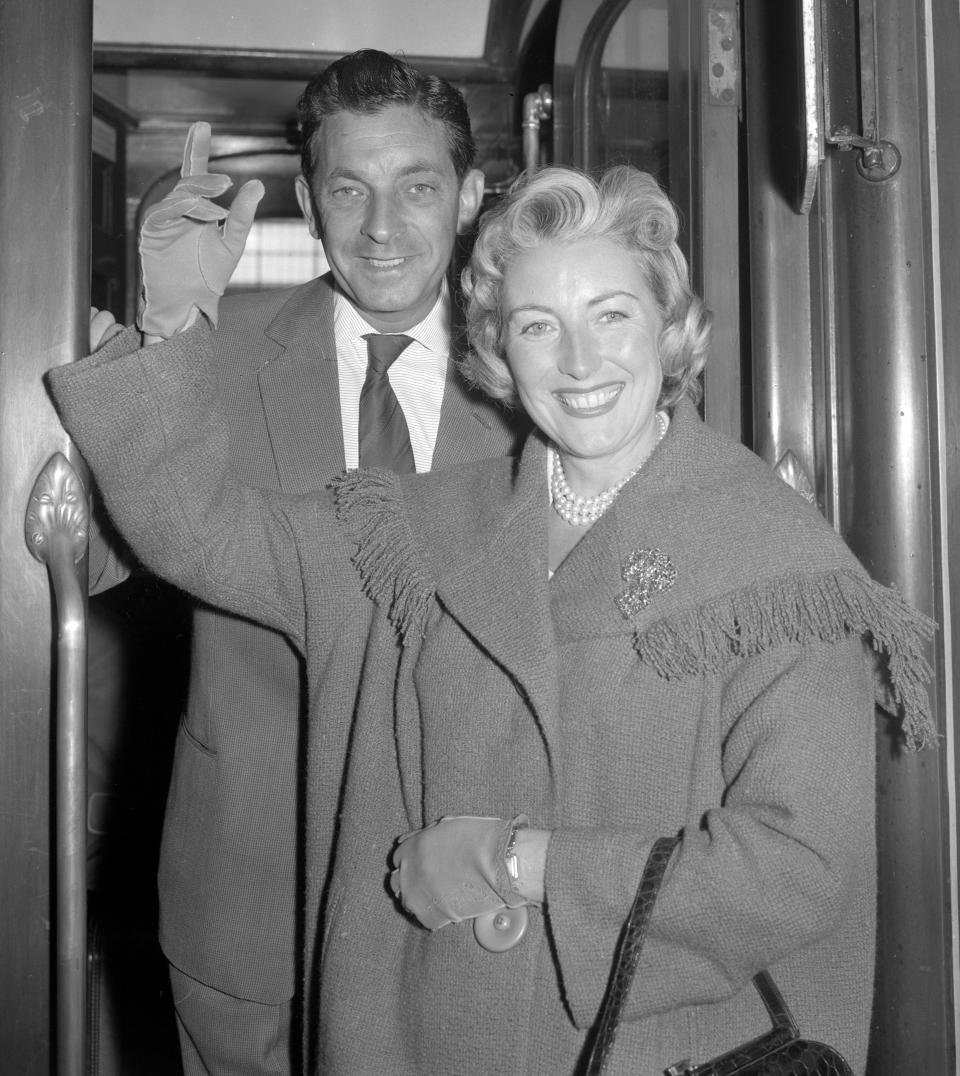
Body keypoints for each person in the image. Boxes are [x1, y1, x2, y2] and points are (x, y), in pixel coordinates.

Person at [50, 165, 935, 1076]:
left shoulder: (778, 565)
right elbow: (200, 531)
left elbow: (798, 868)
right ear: (498, 351)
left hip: (655, 1050)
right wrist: (175, 319)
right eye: (538, 326)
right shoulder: (407, 532)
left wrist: (521, 863)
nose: (580, 362)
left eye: (612, 315)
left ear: (670, 330)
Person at [87, 49, 523, 1076]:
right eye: (348, 188)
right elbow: (93, 564)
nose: (381, 226)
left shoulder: (539, 375)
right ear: (309, 200)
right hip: (250, 896)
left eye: (417, 186)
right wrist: (166, 329)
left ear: (468, 196)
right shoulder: (213, 351)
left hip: (466, 901)